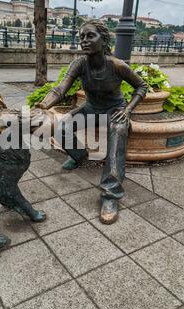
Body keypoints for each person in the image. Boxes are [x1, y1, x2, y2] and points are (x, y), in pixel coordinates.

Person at [36, 20, 148, 225]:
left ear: (103, 40)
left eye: (90, 36)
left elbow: (142, 86)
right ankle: (79, 155)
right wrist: (43, 105)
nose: (84, 41)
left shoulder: (117, 65)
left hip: (115, 110)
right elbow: (60, 89)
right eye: (81, 37)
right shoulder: (79, 64)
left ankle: (110, 195)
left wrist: (127, 110)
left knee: (118, 132)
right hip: (90, 109)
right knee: (61, 126)